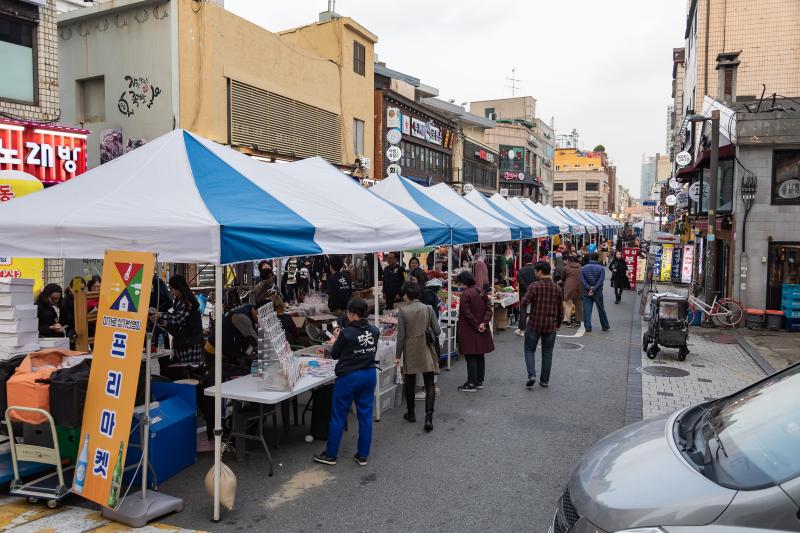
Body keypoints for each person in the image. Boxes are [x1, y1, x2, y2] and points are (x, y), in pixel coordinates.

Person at [313, 299, 379, 467]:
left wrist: (337, 338)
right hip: (369, 374)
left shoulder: (347, 333)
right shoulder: (374, 331)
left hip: (350, 377)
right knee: (365, 416)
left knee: (338, 415)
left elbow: (335, 354)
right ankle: (362, 455)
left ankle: (331, 454)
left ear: (351, 313)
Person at [395, 282, 441, 432]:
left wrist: (397, 355)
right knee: (429, 383)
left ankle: (411, 413)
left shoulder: (402, 311)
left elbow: (400, 336)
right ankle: (429, 417)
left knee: (410, 381)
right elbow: (438, 330)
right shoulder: (428, 308)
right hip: (426, 347)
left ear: (407, 296)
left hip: (410, 347)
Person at [521, 262, 563, 388]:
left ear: (540, 271)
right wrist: (559, 324)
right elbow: (560, 309)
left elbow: (524, 302)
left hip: (534, 323)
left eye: (535, 271)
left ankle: (532, 374)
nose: (535, 273)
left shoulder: (534, 286)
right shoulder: (557, 288)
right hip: (550, 325)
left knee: (529, 350)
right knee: (547, 352)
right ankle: (544, 380)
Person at [455, 271, 494, 392]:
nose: (459, 285)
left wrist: (477, 325)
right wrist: (484, 323)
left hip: (469, 329)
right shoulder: (480, 290)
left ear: (464, 281)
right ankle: (479, 381)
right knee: (480, 355)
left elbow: (467, 314)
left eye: (460, 282)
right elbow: (489, 308)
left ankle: (471, 383)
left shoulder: (466, 294)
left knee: (470, 356)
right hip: (481, 327)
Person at [152, 275, 204, 364]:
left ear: (178, 288)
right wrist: (158, 321)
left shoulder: (187, 302)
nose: (170, 291)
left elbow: (177, 319)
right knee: (182, 371)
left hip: (190, 344)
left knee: (190, 372)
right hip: (182, 342)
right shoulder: (178, 300)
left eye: (171, 288)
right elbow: (174, 323)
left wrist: (160, 314)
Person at [580, 252, 610, 332]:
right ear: (597, 258)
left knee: (587, 309)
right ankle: (605, 326)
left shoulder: (583, 268)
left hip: (587, 291)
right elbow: (600, 280)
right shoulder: (601, 269)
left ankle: (588, 327)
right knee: (601, 309)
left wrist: (589, 287)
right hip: (598, 291)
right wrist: (594, 288)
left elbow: (582, 280)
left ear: (590, 258)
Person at [515, 254, 536, 337]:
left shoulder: (521, 270)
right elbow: (538, 279)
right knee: (535, 308)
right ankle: (534, 327)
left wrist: (527, 288)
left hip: (523, 291)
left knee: (523, 310)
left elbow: (520, 281)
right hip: (534, 291)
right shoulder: (535, 270)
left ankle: (522, 328)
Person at [562, 255, 584, 327]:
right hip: (579, 287)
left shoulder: (566, 268)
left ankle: (568, 321)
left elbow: (563, 277)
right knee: (579, 304)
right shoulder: (581, 268)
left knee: (568, 304)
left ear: (569, 260)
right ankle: (578, 320)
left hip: (569, 287)